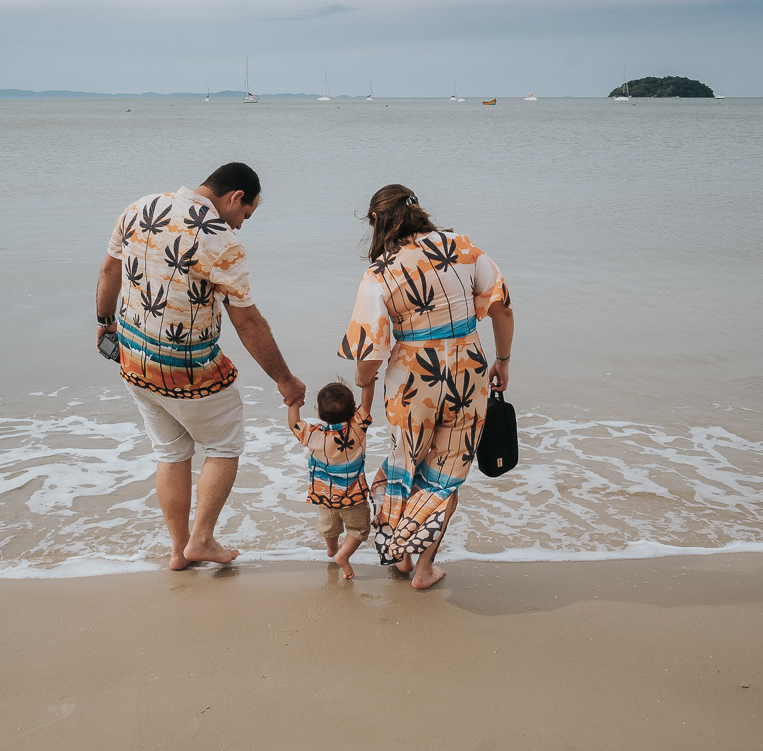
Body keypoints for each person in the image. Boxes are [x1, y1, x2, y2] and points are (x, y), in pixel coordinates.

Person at [95, 162, 306, 570]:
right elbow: (247, 321)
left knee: (171, 452)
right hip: (188, 370)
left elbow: (109, 270)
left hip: (134, 361)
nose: (242, 225)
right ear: (235, 198)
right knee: (225, 446)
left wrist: (105, 324)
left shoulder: (141, 207)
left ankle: (179, 550)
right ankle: (202, 539)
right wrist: (285, 380)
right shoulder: (221, 241)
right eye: (246, 215)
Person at [337, 184, 514, 589]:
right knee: (445, 473)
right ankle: (424, 568)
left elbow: (368, 349)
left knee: (407, 460)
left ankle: (400, 552)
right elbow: (501, 307)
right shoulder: (463, 248)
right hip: (468, 375)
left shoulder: (380, 273)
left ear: (377, 222)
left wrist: (365, 385)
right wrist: (503, 360)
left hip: (412, 381)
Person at [288, 379, 375, 579]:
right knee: (359, 528)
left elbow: (294, 424)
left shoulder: (314, 435)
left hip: (324, 495)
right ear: (353, 409)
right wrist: (368, 381)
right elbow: (367, 403)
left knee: (329, 525)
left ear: (319, 413)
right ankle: (343, 555)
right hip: (353, 495)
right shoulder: (357, 427)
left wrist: (294, 402)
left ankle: (332, 549)